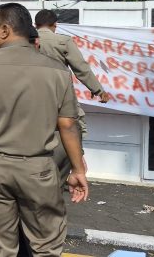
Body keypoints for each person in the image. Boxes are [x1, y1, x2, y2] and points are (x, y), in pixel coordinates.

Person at [0, 3, 88, 257]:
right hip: (38, 168)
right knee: (46, 245)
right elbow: (68, 125)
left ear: (4, 30)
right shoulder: (57, 70)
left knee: (1, 246)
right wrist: (78, 169)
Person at [35, 9, 107, 179]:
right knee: (74, 127)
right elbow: (81, 69)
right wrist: (98, 90)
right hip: (60, 95)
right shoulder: (63, 41)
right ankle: (76, 165)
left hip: (31, 97)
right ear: (55, 25)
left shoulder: (26, 41)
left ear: (35, 25)